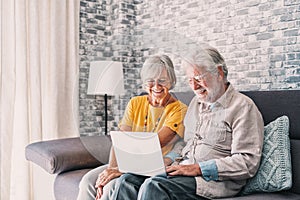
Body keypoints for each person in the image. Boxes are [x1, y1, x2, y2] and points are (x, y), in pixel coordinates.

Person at [110, 45, 264, 199]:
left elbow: (247, 162)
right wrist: (167, 161)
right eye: (190, 80)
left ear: (219, 73)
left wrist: (199, 168)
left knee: (155, 186)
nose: (194, 86)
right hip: (182, 169)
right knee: (126, 181)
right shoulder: (196, 104)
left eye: (198, 79)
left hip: (213, 181)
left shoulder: (242, 107)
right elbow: (185, 144)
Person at [77, 55, 187, 200]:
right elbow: (120, 142)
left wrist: (119, 171)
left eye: (162, 81)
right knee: (87, 181)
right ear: (144, 82)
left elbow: (154, 145)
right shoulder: (135, 103)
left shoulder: (179, 109)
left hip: (154, 166)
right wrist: (111, 169)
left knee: (111, 186)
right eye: (150, 81)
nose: (156, 86)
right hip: (126, 163)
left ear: (172, 81)